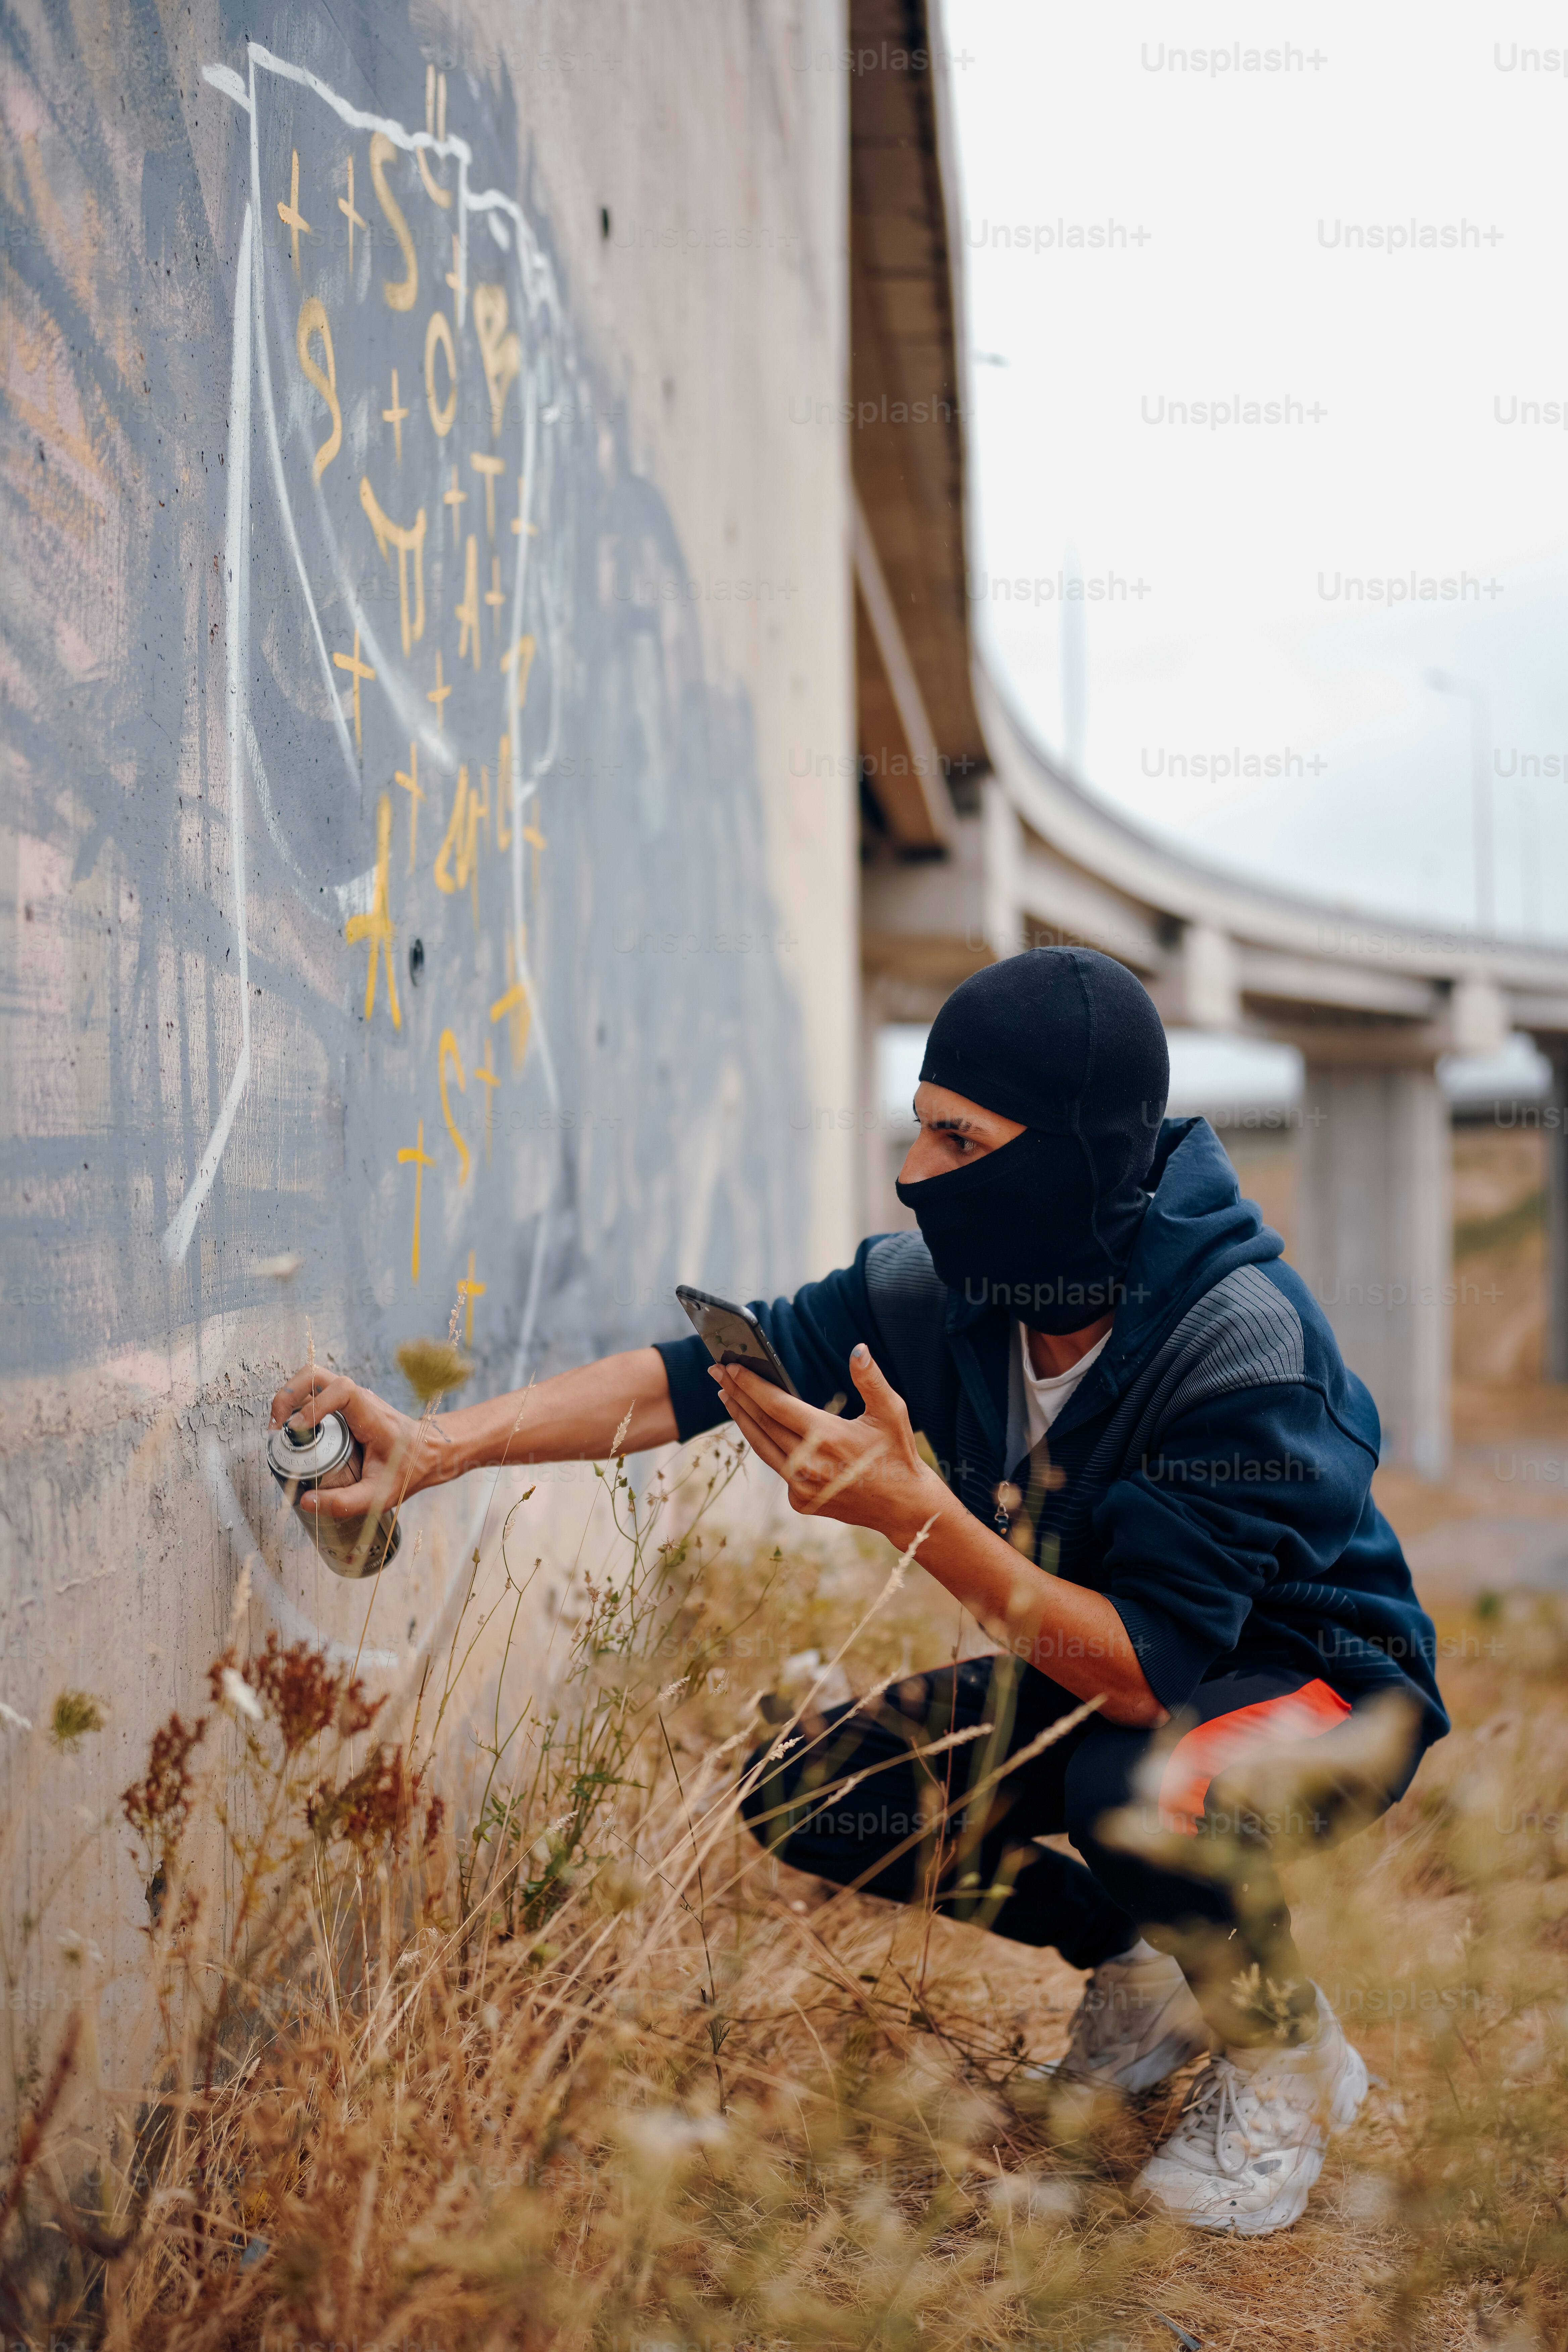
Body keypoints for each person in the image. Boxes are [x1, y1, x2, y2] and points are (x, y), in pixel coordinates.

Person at [271, 946, 1446, 2237]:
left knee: (1141, 1786)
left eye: (960, 1138)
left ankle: (1290, 2061)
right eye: (919, 1127)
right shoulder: (948, 1294)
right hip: (1112, 1672)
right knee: (814, 1792)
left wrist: (916, 1514)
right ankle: (1135, 1953)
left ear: (1068, 1158)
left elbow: (1146, 1671)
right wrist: (438, 1449)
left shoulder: (1240, 1345)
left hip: (1320, 1684)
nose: (916, 1173)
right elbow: (686, 1379)